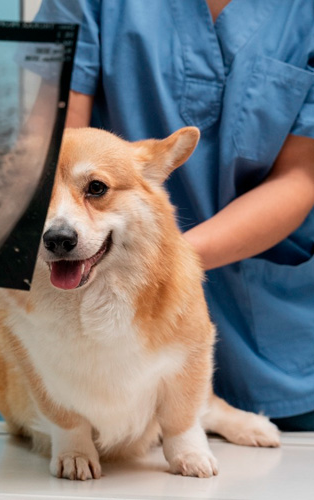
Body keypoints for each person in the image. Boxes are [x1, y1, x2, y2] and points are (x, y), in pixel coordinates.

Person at [35, 0, 314, 430]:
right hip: (109, 335)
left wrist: (167, 261)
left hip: (275, 338)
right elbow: (56, 147)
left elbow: (300, 177)